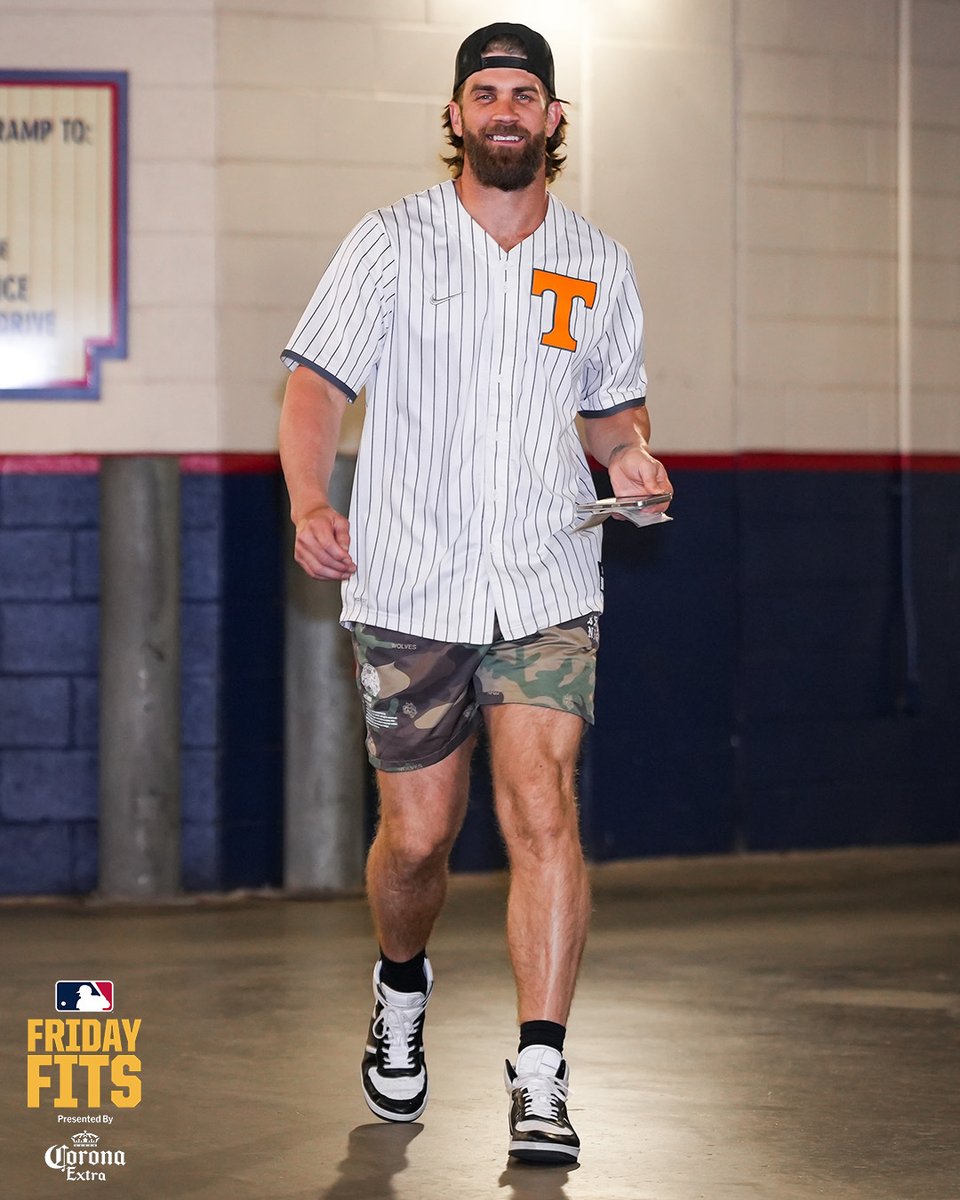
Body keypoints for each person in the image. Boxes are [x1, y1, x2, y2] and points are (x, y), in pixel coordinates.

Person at [279, 21, 672, 1166]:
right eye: (484, 92)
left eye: (526, 94)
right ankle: (400, 986)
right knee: (418, 838)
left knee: (545, 806)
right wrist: (311, 500)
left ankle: (540, 1068)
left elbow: (611, 410)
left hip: (547, 574)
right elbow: (313, 390)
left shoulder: (600, 262)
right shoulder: (389, 245)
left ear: (554, 121)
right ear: (457, 116)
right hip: (410, 581)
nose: (506, 109)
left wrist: (631, 457)